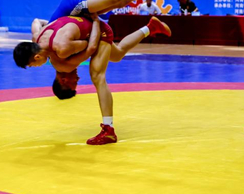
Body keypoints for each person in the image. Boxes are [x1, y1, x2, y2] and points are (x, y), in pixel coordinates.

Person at [15, 0, 186, 68]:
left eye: (31, 66)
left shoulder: (56, 47)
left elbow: (87, 46)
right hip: (78, 16)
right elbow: (36, 21)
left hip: (74, 5)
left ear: (36, 57)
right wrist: (53, 25)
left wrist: (91, 24)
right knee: (120, 4)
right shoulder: (37, 38)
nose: (35, 68)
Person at [51, 16, 172, 145]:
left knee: (97, 76)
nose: (78, 78)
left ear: (63, 80)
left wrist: (94, 21)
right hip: (91, 30)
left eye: (74, 82)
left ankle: (108, 130)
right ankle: (150, 28)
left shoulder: (64, 59)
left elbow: (90, 48)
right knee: (118, 54)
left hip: (96, 31)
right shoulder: (57, 57)